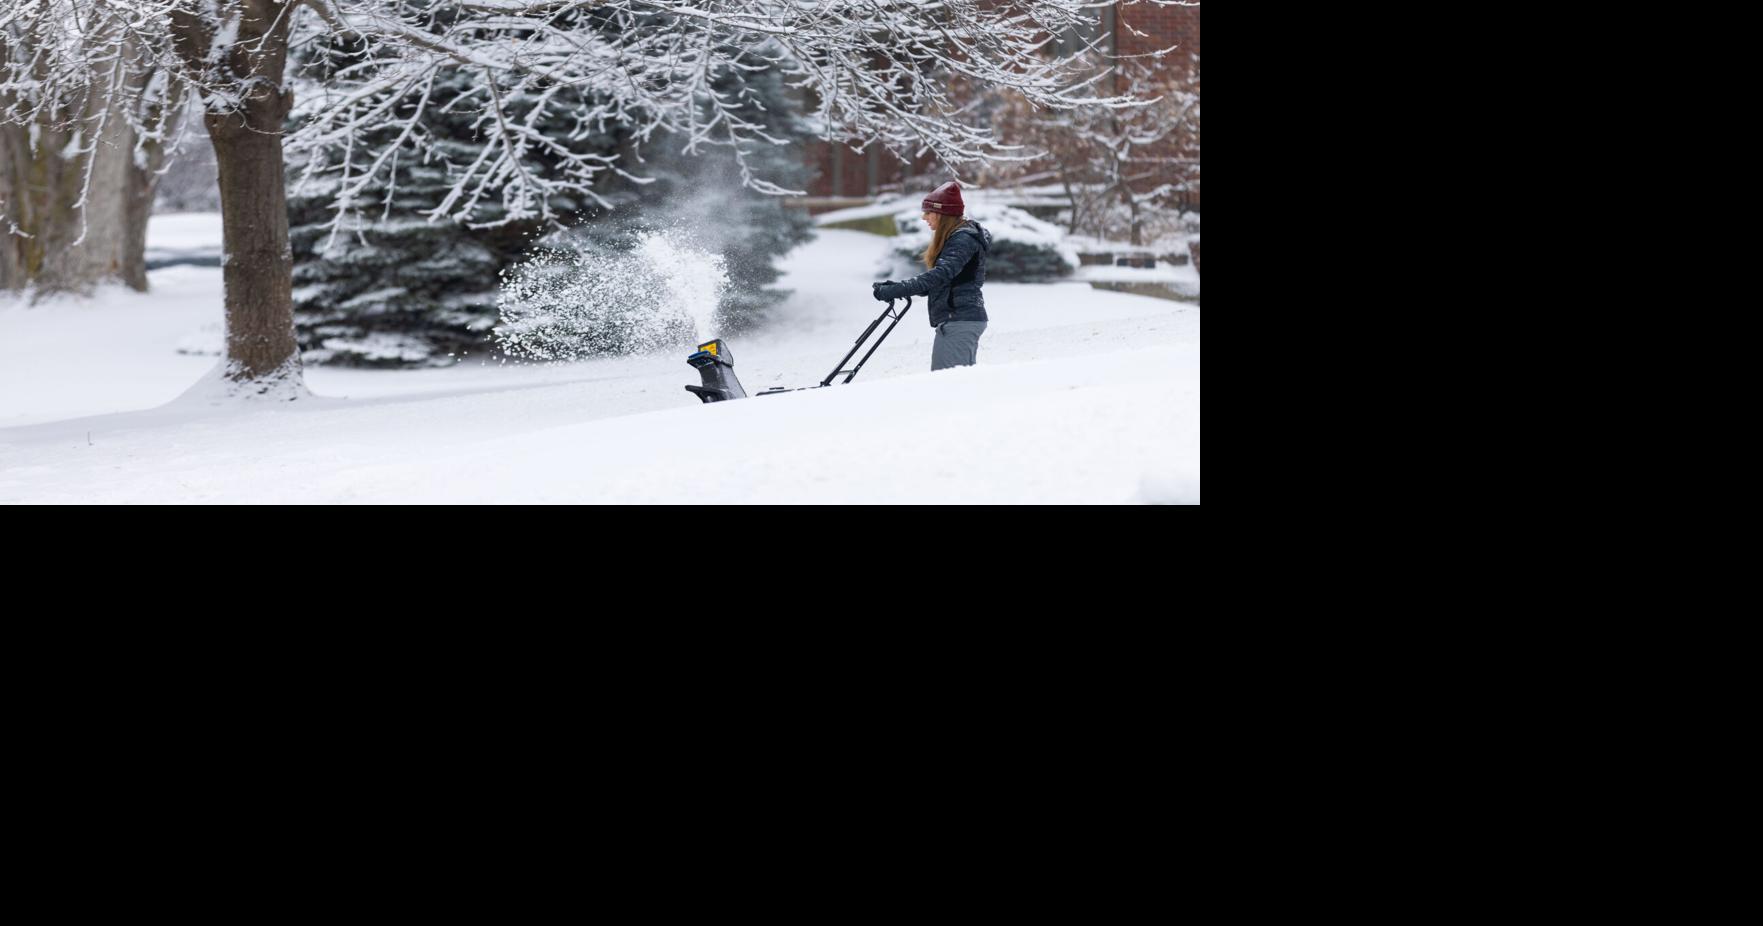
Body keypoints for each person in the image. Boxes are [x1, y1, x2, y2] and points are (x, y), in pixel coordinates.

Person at [872, 181, 992, 371]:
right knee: (955, 383)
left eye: (928, 212)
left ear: (942, 214)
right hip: (959, 319)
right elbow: (943, 281)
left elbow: (940, 275)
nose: (924, 217)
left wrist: (898, 289)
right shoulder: (959, 237)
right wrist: (896, 287)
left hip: (960, 320)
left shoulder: (963, 239)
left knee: (947, 384)